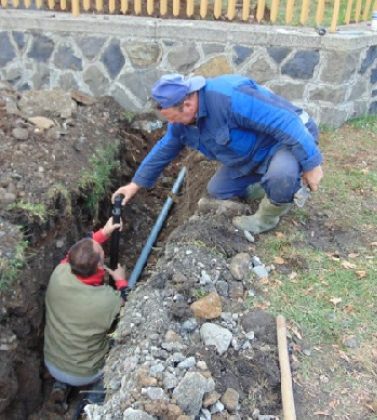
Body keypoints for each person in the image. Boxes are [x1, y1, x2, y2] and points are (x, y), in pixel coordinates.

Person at [112, 73, 324, 234]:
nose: (171, 123)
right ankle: (269, 187)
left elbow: (286, 122)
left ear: (187, 105)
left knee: (282, 175)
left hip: (281, 142)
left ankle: (267, 218)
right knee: (218, 189)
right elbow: (164, 149)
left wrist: (312, 164)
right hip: (252, 156)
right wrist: (134, 185)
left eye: (172, 118)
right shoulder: (183, 122)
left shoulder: (228, 97)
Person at [43, 217, 127, 410]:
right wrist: (121, 282)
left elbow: (78, 251)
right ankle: (94, 399)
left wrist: (104, 232)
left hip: (52, 363)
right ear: (100, 266)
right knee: (123, 343)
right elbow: (131, 309)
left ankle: (60, 386)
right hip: (87, 372)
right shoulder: (107, 300)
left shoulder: (59, 272)